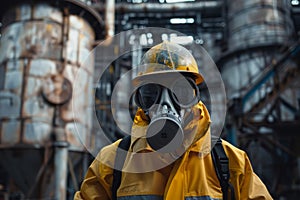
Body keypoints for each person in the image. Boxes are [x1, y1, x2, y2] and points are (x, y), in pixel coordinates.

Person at [74, 41, 272, 200]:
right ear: (141, 102)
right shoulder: (112, 162)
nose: (165, 104)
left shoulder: (229, 162)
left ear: (195, 97)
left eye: (180, 92)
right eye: (151, 94)